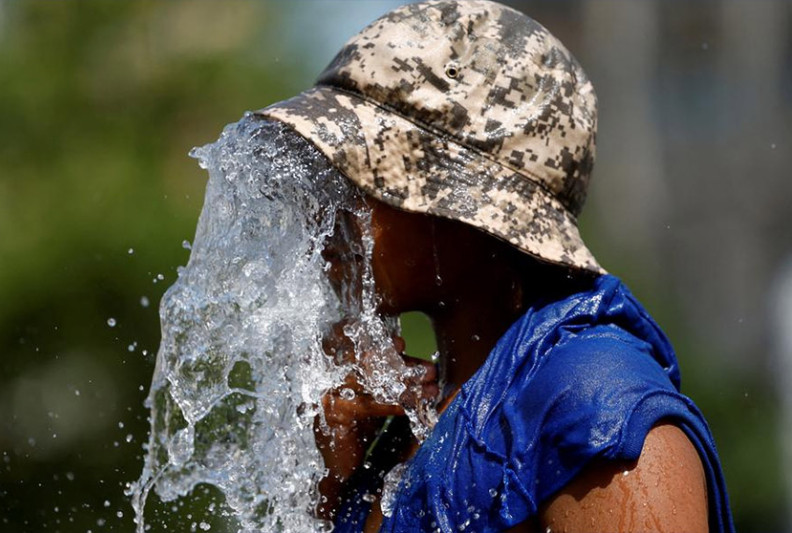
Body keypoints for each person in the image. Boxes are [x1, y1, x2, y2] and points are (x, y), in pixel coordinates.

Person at [256, 1, 735, 531]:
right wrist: (333, 483)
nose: (329, 209)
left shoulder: (595, 414)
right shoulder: (412, 418)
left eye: (361, 175)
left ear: (469, 206)